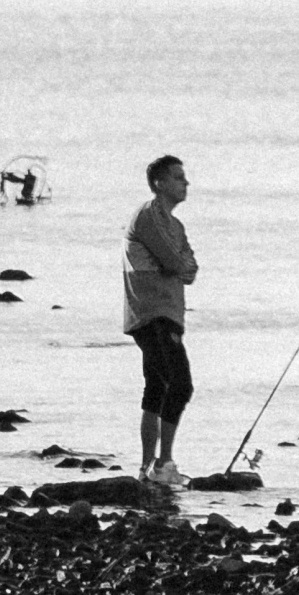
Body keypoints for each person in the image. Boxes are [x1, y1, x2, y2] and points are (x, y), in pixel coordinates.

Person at [124, 153, 198, 488]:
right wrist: (179, 264)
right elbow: (174, 261)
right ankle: (162, 462)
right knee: (179, 383)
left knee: (157, 386)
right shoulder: (149, 215)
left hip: (169, 311)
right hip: (151, 311)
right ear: (160, 183)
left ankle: (149, 467)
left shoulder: (176, 225)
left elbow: (190, 267)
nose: (186, 183)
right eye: (179, 177)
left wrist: (181, 264)